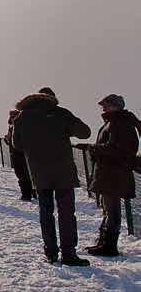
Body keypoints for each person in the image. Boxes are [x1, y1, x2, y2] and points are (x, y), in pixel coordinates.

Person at [12, 87, 92, 266]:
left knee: (45, 212)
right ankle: (69, 254)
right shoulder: (60, 113)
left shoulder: (22, 118)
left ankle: (51, 253)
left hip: (39, 172)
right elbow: (85, 132)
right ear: (51, 99)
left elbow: (17, 145)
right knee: (66, 213)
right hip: (63, 171)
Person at [86, 94, 138, 258]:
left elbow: (117, 150)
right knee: (109, 209)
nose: (103, 107)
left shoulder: (119, 123)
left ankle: (109, 246)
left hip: (114, 174)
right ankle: (104, 243)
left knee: (112, 210)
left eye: (107, 104)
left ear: (116, 106)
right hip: (112, 173)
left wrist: (94, 148)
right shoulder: (115, 122)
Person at [5, 108, 35, 201]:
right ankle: (31, 192)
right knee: (25, 174)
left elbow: (15, 141)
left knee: (23, 175)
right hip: (20, 153)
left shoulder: (17, 127)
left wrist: (8, 139)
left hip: (19, 153)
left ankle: (27, 194)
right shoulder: (14, 127)